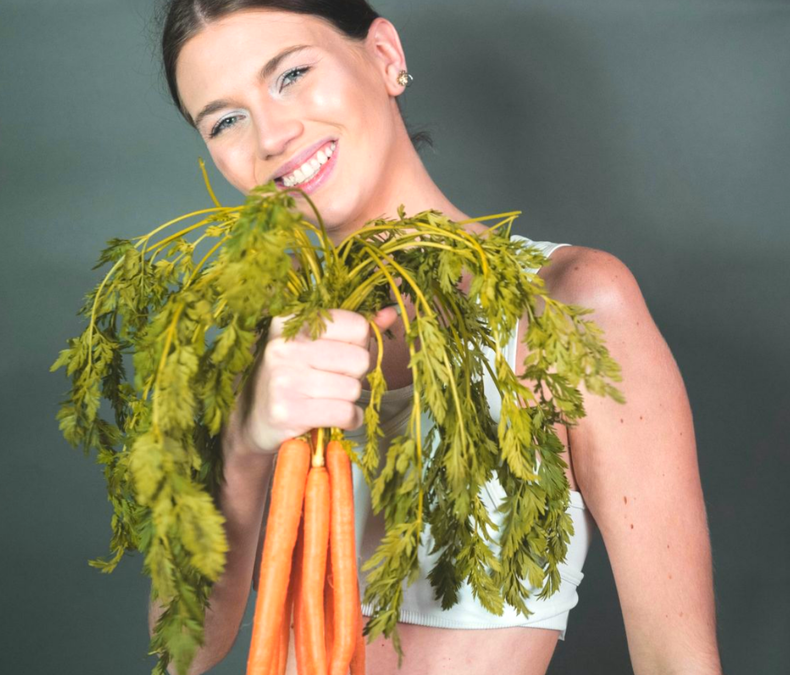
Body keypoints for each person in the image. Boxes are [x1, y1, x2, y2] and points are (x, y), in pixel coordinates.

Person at [148, 1, 723, 673]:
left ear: (384, 56)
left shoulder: (570, 302)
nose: (271, 135)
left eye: (292, 74)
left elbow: (678, 662)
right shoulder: (257, 345)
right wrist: (245, 441)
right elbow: (180, 652)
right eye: (225, 120)